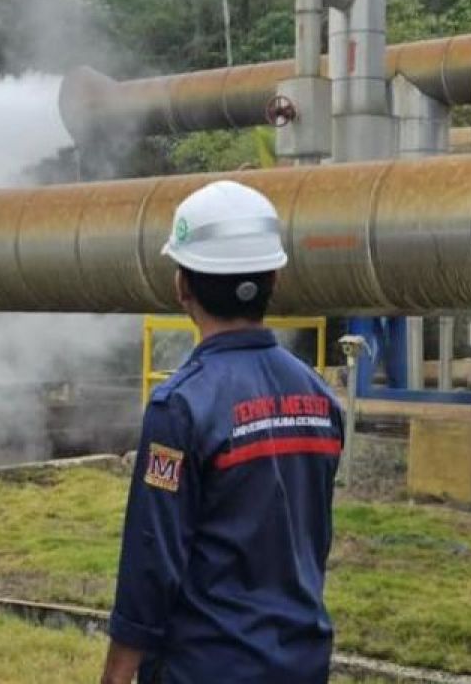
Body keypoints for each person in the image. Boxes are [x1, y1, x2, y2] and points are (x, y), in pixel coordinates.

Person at [101, 181, 344, 684]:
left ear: (182, 286)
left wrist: (118, 671)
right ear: (275, 277)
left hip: (206, 666)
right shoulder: (320, 398)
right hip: (301, 662)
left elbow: (153, 556)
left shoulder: (181, 407)